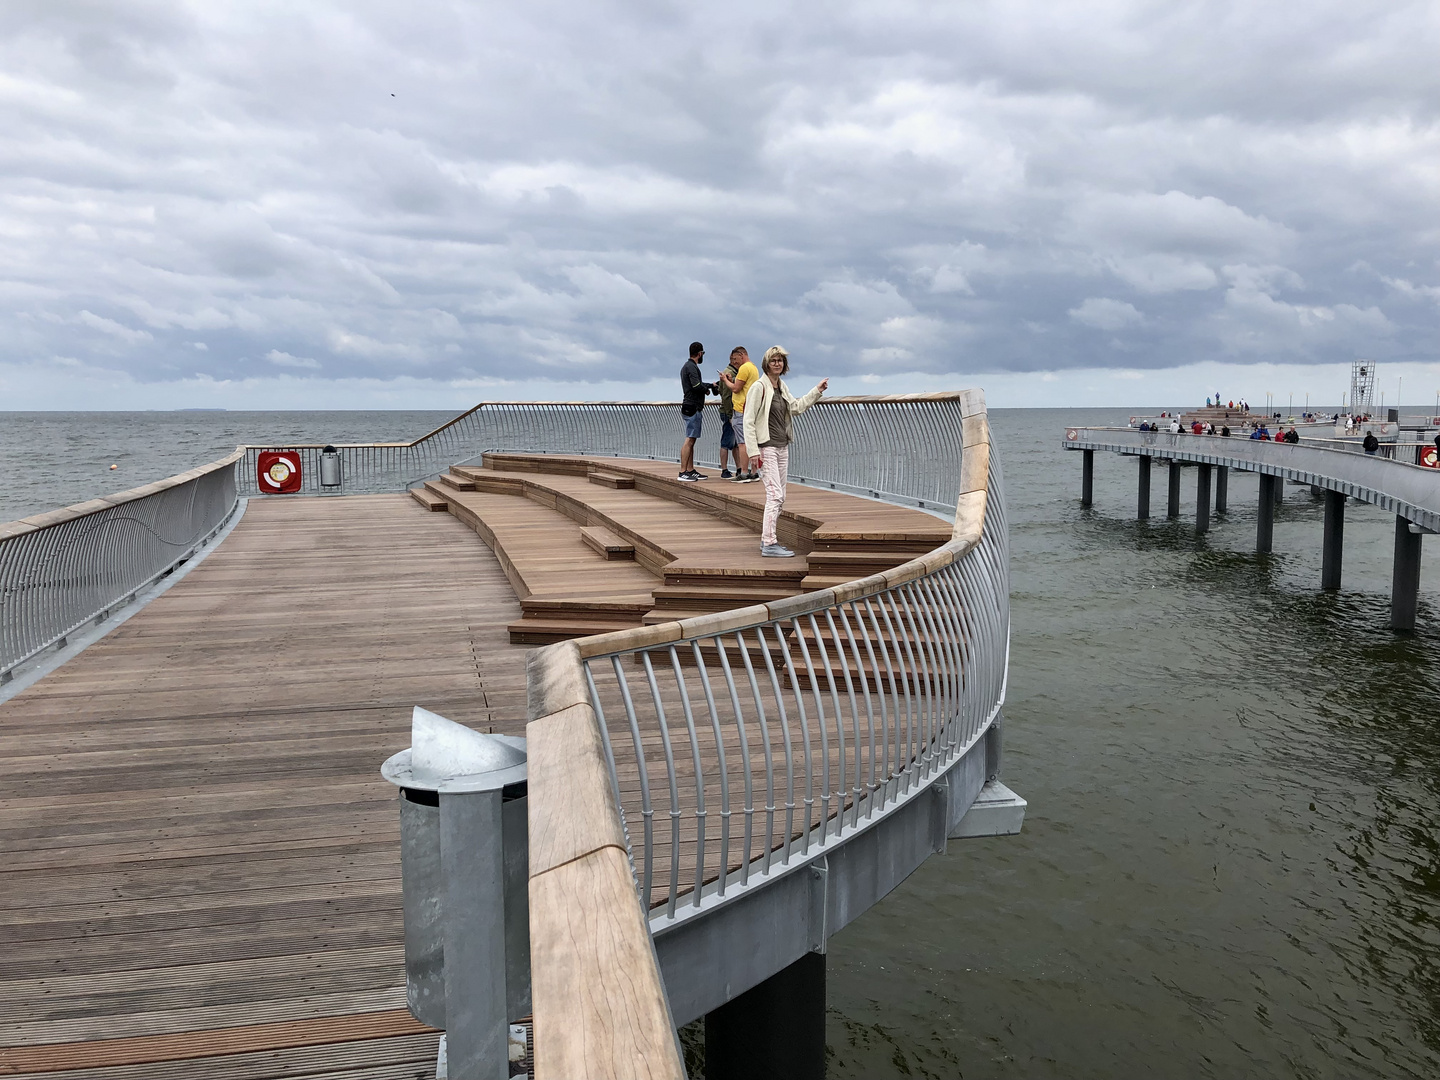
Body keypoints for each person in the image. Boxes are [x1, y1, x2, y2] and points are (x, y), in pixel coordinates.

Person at [743, 346, 828, 557]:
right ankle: (769, 543)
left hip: (782, 446)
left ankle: (768, 540)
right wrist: (753, 452)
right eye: (773, 360)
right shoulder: (758, 387)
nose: (777, 364)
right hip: (766, 448)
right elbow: (749, 420)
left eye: (780, 360)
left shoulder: (781, 387)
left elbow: (796, 407)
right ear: (766, 363)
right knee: (775, 495)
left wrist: (816, 391)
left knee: (781, 496)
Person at [716, 347, 761, 483]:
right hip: (751, 408)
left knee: (742, 443)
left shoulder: (744, 368)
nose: (734, 363)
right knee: (751, 441)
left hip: (741, 409)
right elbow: (743, 384)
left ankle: (744, 472)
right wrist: (732, 379)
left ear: (742, 355)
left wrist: (725, 380)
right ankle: (754, 472)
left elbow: (736, 388)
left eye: (735, 359)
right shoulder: (753, 368)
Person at [678, 342, 717, 481]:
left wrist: (709, 386)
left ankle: (690, 469)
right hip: (692, 406)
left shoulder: (686, 367)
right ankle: (683, 471)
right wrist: (707, 389)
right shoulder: (691, 367)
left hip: (689, 405)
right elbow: (695, 385)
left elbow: (696, 384)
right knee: (689, 439)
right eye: (702, 354)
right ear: (700, 353)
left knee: (692, 439)